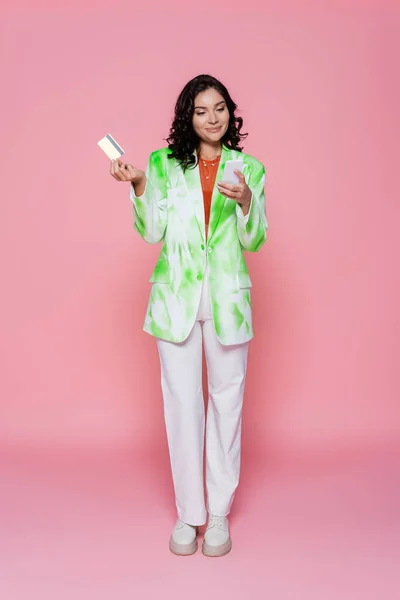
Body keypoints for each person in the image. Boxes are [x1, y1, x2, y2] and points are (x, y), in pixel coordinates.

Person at [110, 74, 268, 557]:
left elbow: (254, 238)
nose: (213, 118)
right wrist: (138, 184)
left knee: (227, 404)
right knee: (182, 404)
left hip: (227, 301)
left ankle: (218, 513)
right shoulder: (161, 164)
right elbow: (152, 231)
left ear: (229, 112)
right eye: (202, 111)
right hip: (175, 299)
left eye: (220, 108)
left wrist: (246, 203)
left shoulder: (251, 168)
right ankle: (188, 513)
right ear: (188, 116)